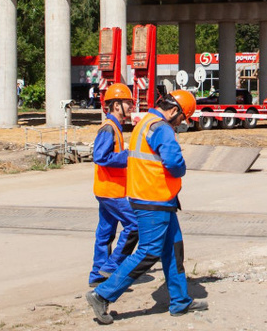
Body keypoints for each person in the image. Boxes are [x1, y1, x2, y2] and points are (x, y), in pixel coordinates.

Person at [87, 89, 207, 324]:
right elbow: (173, 163)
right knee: (149, 252)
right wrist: (181, 168)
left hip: (157, 199)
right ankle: (102, 294)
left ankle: (180, 301)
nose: (181, 124)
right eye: (183, 118)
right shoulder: (161, 127)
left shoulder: (145, 122)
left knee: (174, 249)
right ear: (174, 111)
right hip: (154, 200)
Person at [90, 83, 138, 288]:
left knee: (105, 233)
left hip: (108, 189)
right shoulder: (109, 128)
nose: (131, 106)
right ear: (116, 105)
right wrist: (127, 156)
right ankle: (111, 267)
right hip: (111, 192)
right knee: (134, 225)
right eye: (127, 103)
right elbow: (100, 157)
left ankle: (97, 276)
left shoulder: (114, 127)